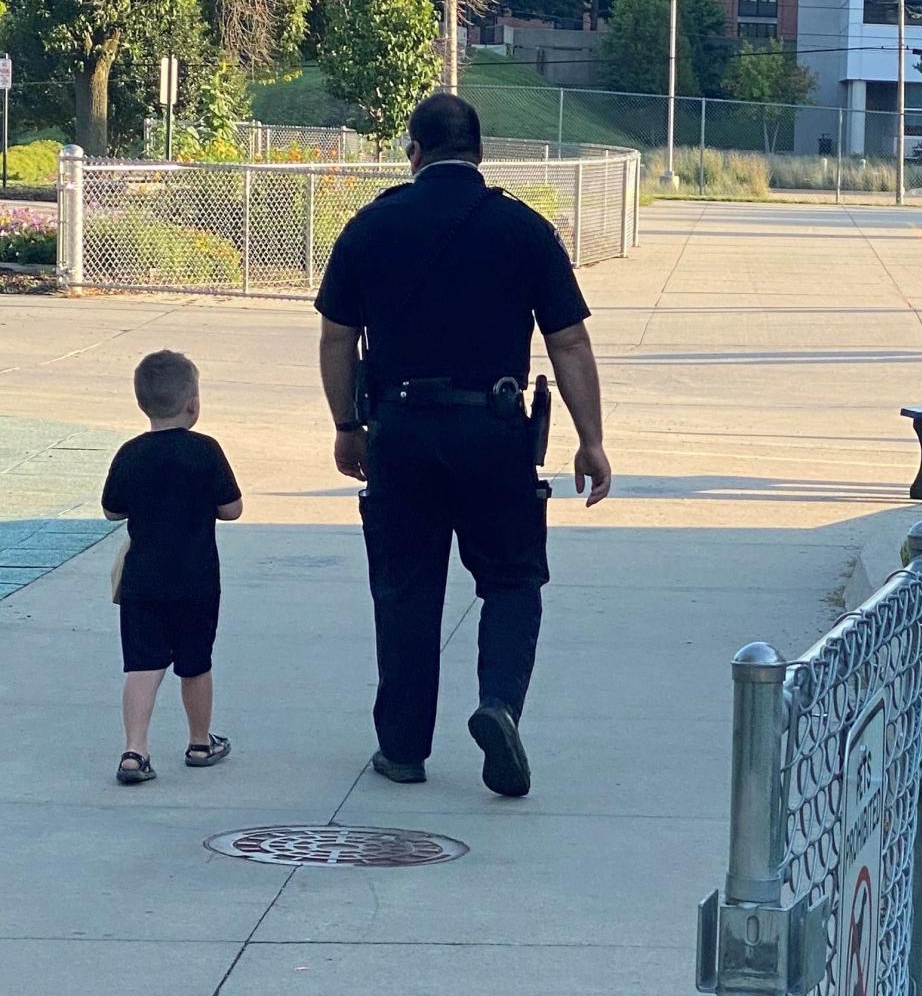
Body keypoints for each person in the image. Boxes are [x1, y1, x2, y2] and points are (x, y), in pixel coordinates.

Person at [316, 94, 611, 797]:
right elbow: (568, 340)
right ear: (481, 152)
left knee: (406, 587)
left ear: (412, 151)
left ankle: (403, 749)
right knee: (512, 579)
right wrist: (592, 440)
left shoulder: (371, 225)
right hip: (495, 429)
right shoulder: (522, 228)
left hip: (402, 430)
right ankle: (499, 704)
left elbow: (336, 337)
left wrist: (347, 426)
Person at [101, 349, 243, 785]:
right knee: (195, 663)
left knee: (142, 665)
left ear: (142, 402)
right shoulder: (206, 451)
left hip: (143, 581)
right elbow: (232, 509)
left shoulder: (131, 453)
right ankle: (200, 741)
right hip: (196, 580)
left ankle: (134, 750)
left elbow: (112, 510)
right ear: (193, 404)